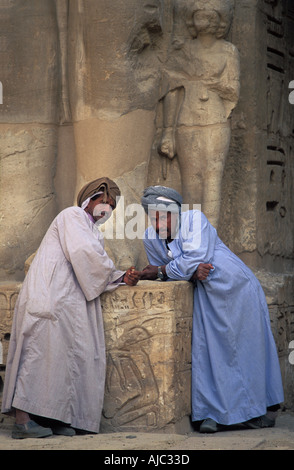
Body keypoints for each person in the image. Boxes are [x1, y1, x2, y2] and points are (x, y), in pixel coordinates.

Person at [1, 177, 140, 439]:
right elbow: (86, 256)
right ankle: (22, 422)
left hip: (64, 302)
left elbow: (95, 263)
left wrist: (121, 277)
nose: (107, 210)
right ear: (91, 198)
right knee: (38, 357)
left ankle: (52, 418)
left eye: (112, 206)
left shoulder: (90, 229)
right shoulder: (72, 215)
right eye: (105, 202)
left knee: (59, 362)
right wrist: (115, 273)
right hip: (50, 298)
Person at [140, 185, 284, 433]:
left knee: (246, 350)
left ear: (175, 212)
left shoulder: (194, 219)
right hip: (204, 294)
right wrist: (184, 271)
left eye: (163, 215)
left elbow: (187, 261)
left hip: (235, 287)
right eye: (153, 216)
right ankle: (211, 414)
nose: (158, 222)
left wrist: (172, 270)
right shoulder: (149, 238)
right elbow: (175, 270)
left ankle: (260, 410)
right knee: (211, 355)